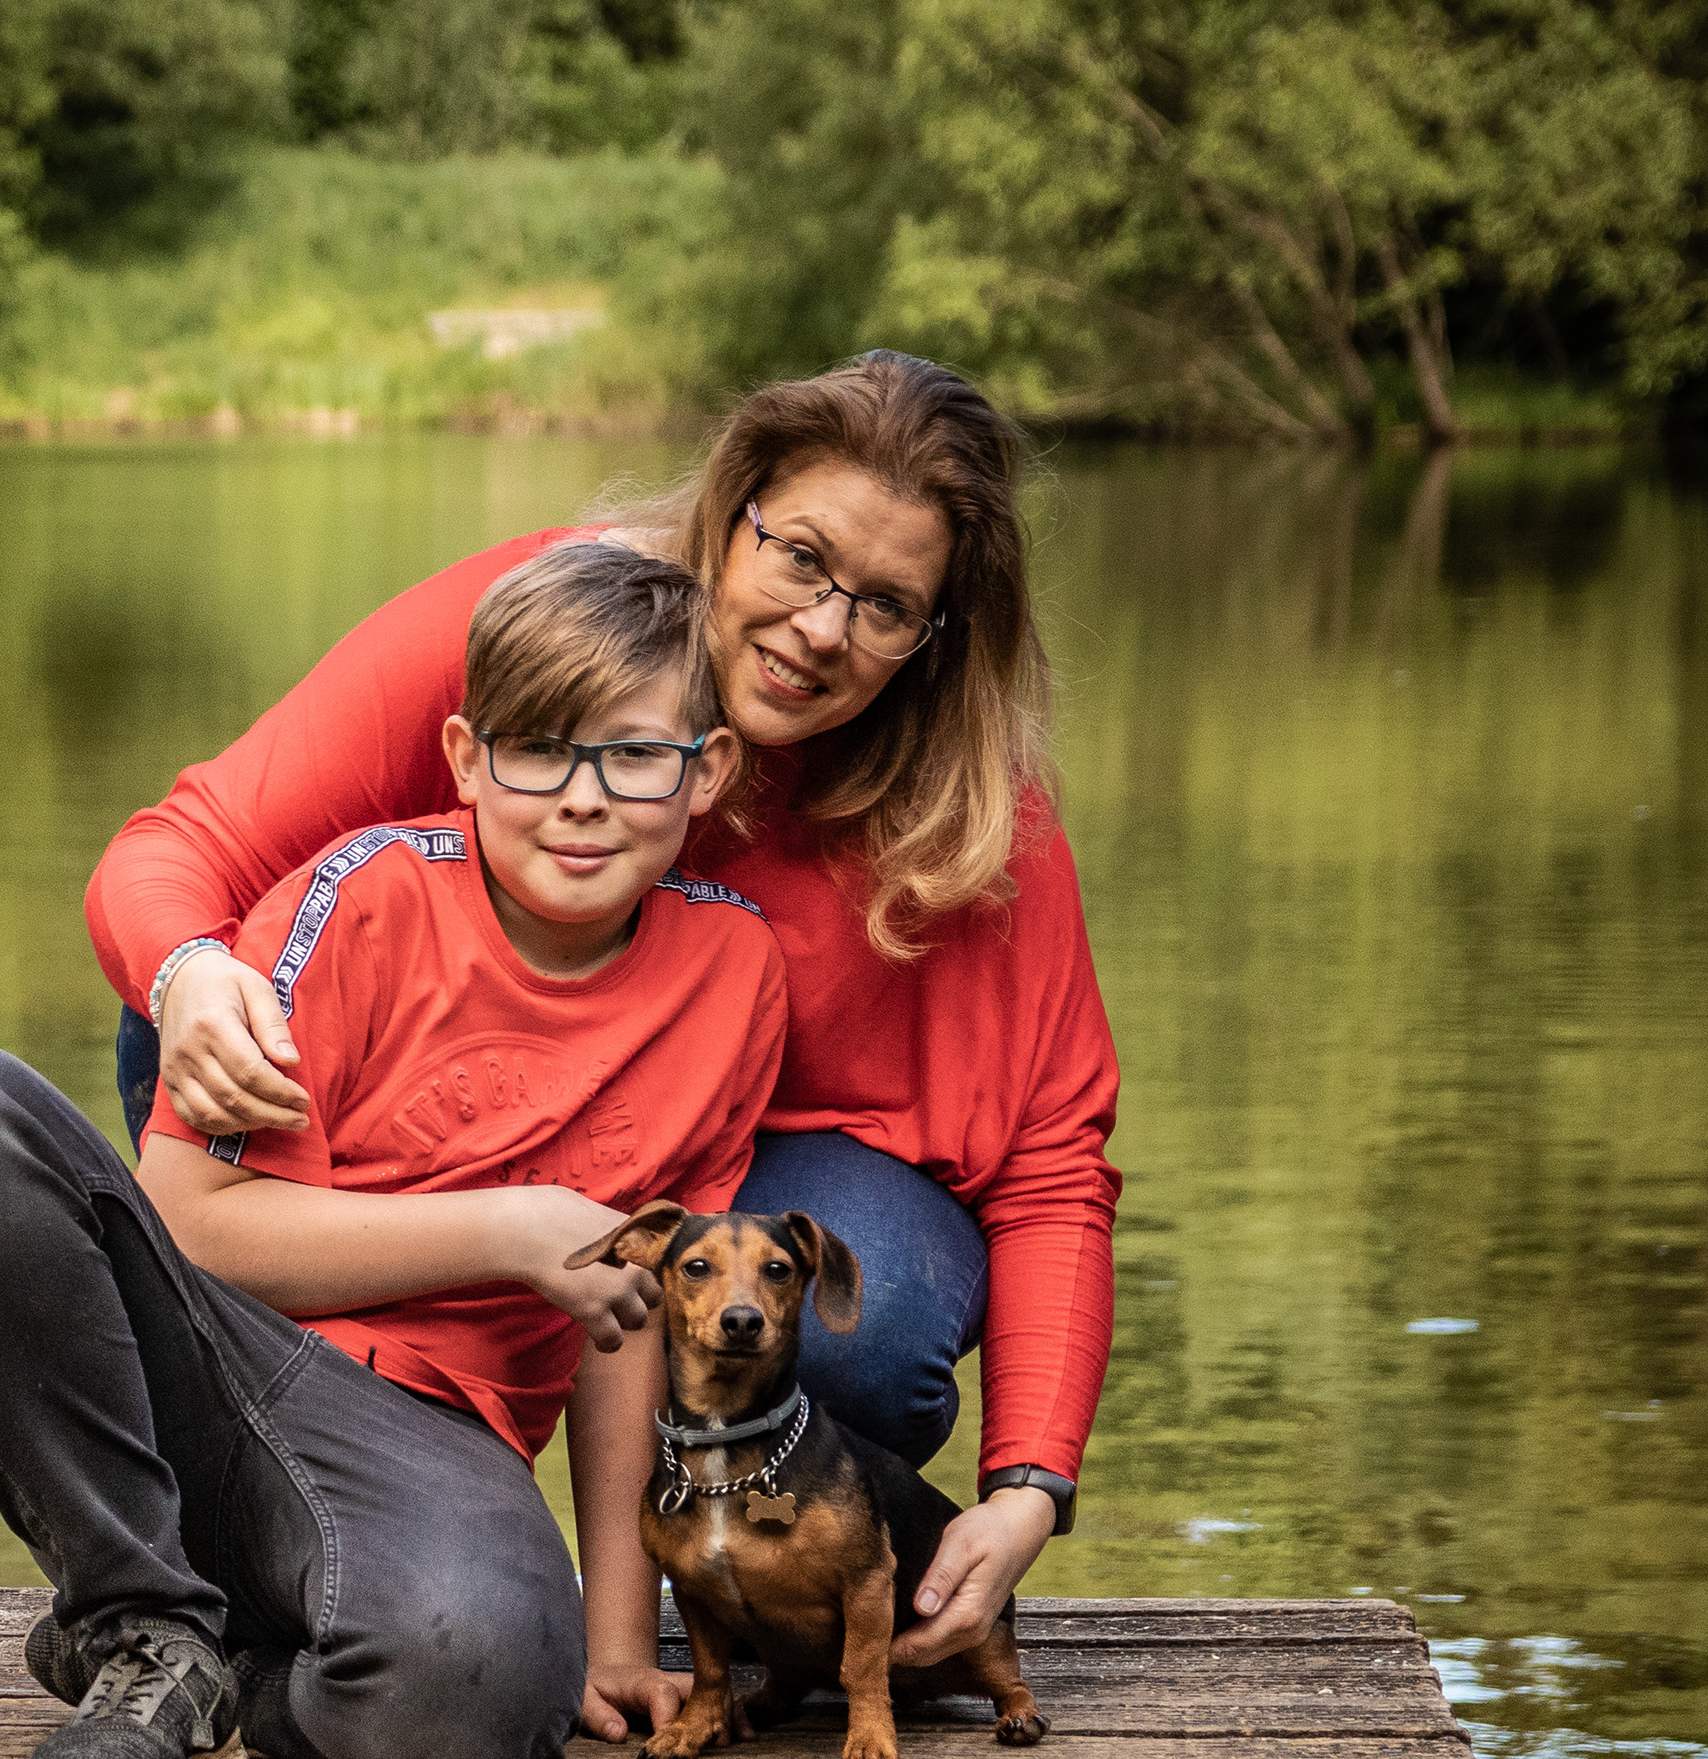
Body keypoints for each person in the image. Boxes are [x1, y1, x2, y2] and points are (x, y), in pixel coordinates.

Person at [90, 352, 1119, 1671]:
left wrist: (1029, 1482)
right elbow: (183, 846)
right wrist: (188, 973)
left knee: (871, 1314)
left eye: (885, 606)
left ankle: (719, 1566)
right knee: (203, 1004)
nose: (823, 628)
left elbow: (1053, 1164)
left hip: (720, 1162)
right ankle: (316, 1469)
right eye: (802, 558)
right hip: (442, 1107)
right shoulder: (544, 627)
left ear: (937, 636)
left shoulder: (974, 808)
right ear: (735, 509)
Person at [0, 545, 782, 1759]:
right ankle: (139, 1621)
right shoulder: (357, 901)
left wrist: (618, 1638)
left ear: (707, 770)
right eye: (536, 751)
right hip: (223, 1371)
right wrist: (509, 1228)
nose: (582, 798)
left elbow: (631, 1320)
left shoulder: (734, 973)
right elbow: (192, 1224)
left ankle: (235, 1677)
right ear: (464, 757)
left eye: (632, 756)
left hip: (431, 1448)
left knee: (488, 1708)